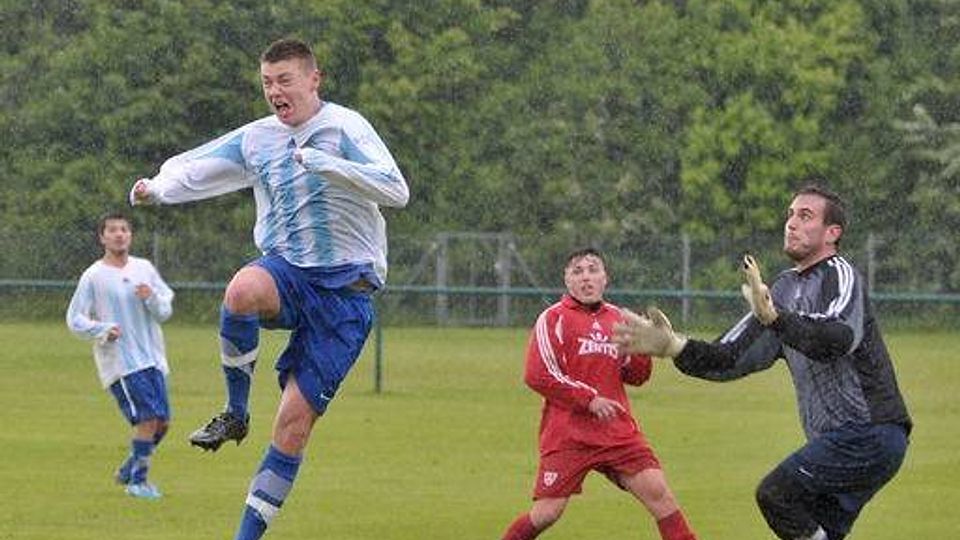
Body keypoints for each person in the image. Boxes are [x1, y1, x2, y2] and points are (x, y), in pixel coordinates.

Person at [129, 37, 408, 539]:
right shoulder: (260, 138)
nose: (275, 92)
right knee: (241, 290)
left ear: (313, 80)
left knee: (292, 426)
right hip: (291, 274)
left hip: (346, 294)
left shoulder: (345, 127)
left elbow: (396, 188)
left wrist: (330, 166)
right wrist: (158, 188)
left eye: (284, 80)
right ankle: (235, 413)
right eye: (266, 83)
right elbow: (199, 163)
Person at [614, 183, 912, 540]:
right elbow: (727, 359)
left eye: (805, 216)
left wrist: (775, 319)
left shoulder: (840, 274)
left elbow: (837, 338)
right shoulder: (781, 290)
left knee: (777, 495)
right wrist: (673, 345)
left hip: (871, 431)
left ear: (833, 233)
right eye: (790, 215)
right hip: (843, 440)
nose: (792, 223)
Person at [500, 248, 698, 540]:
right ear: (566, 280)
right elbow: (538, 375)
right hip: (569, 434)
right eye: (577, 271)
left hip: (616, 431)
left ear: (605, 278)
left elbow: (637, 378)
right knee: (547, 513)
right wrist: (588, 399)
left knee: (660, 495)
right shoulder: (553, 319)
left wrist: (646, 351)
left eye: (593, 270)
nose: (586, 277)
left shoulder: (619, 319)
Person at [66, 212, 175, 500]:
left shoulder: (144, 268)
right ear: (102, 237)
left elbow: (165, 310)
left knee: (162, 423)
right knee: (148, 419)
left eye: (124, 229)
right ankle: (138, 482)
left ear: (131, 235)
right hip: (122, 362)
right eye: (112, 230)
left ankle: (129, 468)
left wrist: (150, 296)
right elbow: (74, 318)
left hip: (153, 359)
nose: (119, 234)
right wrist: (102, 329)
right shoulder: (94, 276)